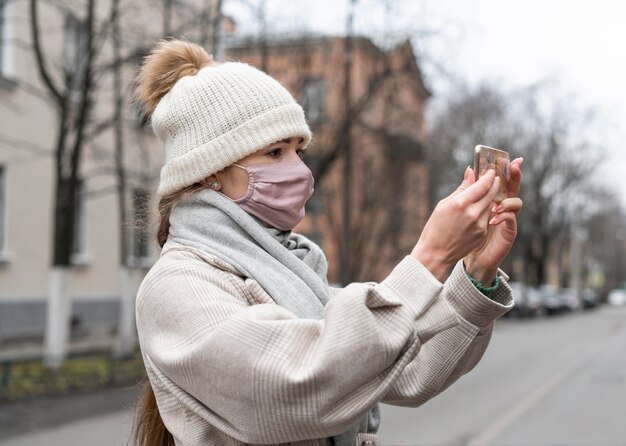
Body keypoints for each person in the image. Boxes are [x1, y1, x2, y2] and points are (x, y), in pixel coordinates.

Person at [132, 39, 523, 446]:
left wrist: (476, 271)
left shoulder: (296, 272)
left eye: (298, 150)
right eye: (275, 152)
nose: (298, 169)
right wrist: (429, 257)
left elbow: (406, 369)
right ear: (210, 172)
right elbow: (295, 387)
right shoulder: (179, 284)